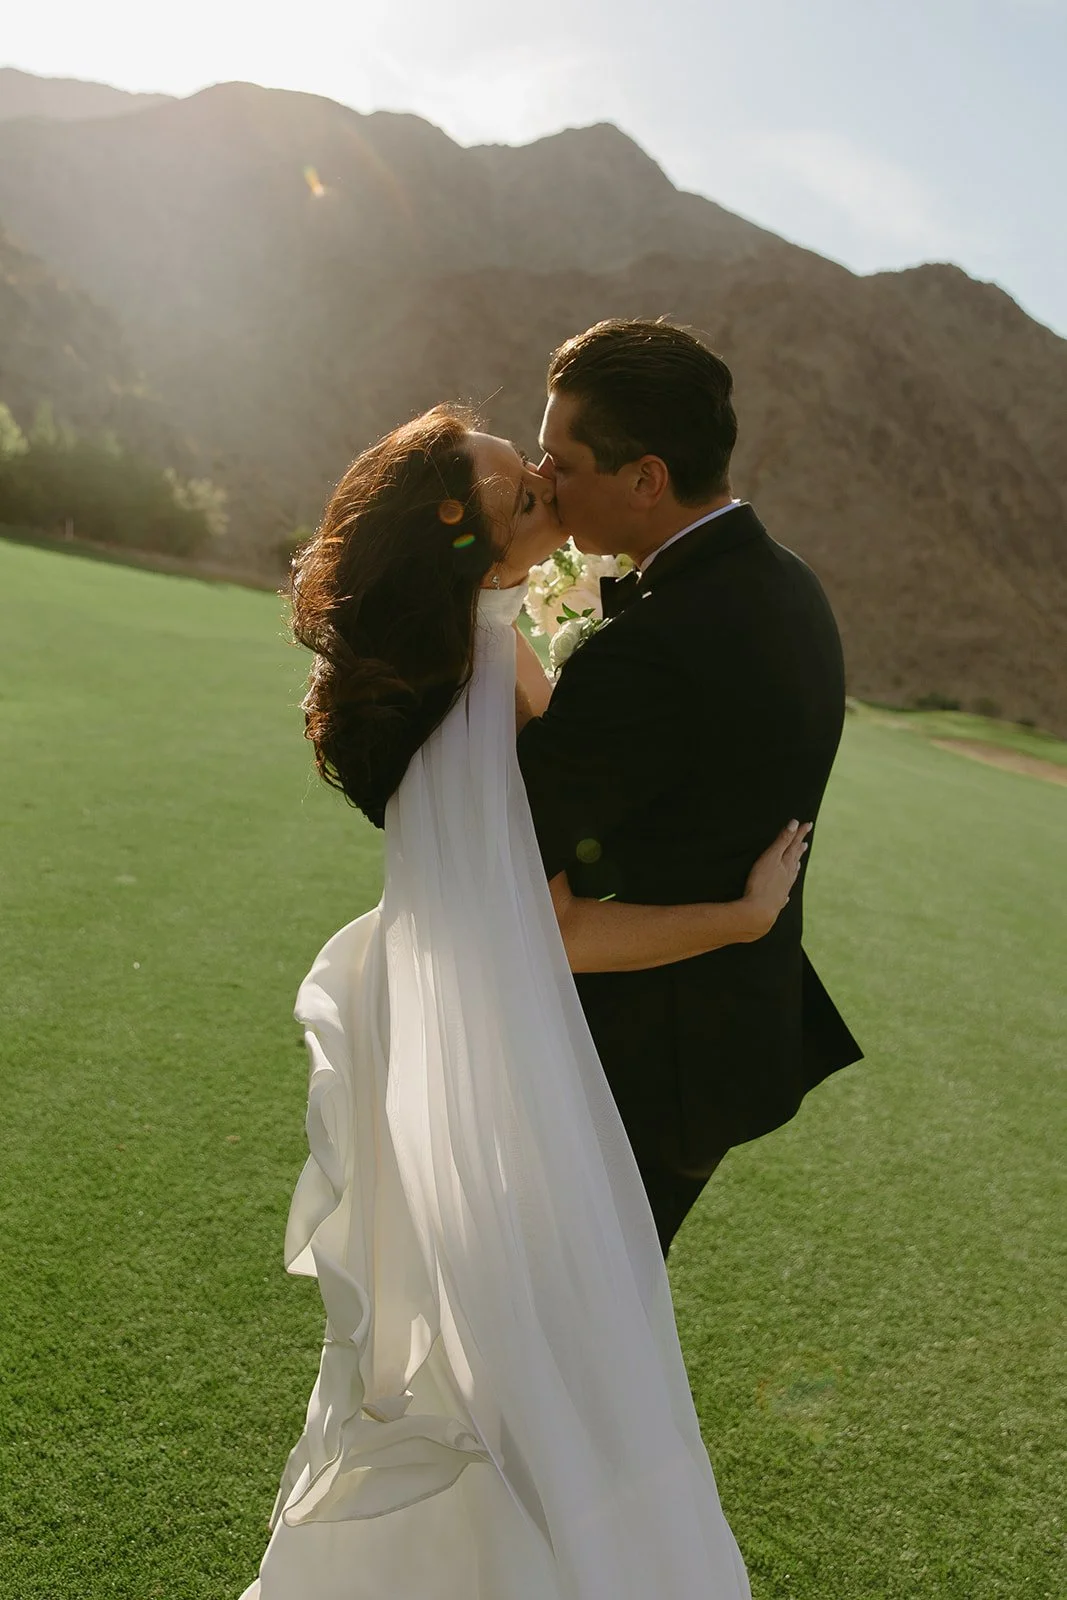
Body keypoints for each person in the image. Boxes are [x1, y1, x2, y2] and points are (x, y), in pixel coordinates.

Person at [239, 403, 810, 1599]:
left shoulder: (454, 649)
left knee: (489, 1356)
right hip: (502, 1048)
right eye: (521, 487)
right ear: (474, 541)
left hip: (438, 1023)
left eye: (535, 460)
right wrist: (739, 919)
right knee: (549, 1361)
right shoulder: (482, 669)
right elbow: (550, 927)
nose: (544, 478)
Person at [519, 318, 863, 1257]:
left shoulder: (650, 649)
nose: (543, 479)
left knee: (557, 1340)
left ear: (645, 478)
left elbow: (544, 921)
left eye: (561, 459)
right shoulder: (793, 588)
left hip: (635, 1065)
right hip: (727, 1044)